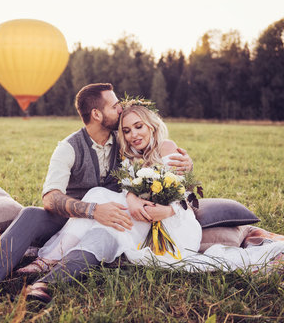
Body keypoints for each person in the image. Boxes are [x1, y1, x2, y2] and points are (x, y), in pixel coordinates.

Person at [0, 83, 193, 301]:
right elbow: (50, 198)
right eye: (115, 105)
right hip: (71, 216)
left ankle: (43, 283)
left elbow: (160, 155)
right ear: (97, 113)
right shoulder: (68, 148)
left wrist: (186, 164)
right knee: (31, 214)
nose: (121, 109)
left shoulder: (125, 138)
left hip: (117, 216)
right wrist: (94, 211)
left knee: (104, 236)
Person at [19, 103, 202, 288]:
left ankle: (52, 258)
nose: (134, 135)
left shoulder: (166, 147)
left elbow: (183, 191)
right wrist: (131, 198)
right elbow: (127, 186)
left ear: (151, 125)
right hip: (141, 213)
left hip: (169, 223)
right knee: (97, 196)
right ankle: (56, 258)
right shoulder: (132, 155)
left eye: (139, 126)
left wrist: (168, 211)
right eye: (127, 131)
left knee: (100, 204)